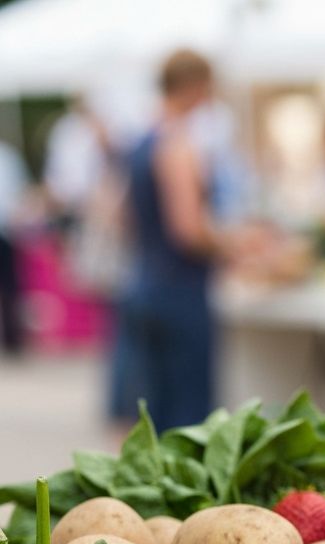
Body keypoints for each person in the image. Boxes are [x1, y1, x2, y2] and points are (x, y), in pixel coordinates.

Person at [113, 49, 228, 432]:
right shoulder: (178, 145)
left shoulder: (140, 142)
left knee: (154, 413)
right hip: (180, 292)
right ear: (195, 86)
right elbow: (188, 230)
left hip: (145, 283)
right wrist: (234, 245)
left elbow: (122, 217)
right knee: (188, 419)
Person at [0, 139, 28, 357]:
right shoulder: (9, 157)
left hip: (5, 230)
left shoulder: (8, 157)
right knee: (10, 286)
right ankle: (12, 339)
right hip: (7, 228)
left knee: (9, 287)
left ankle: (12, 338)